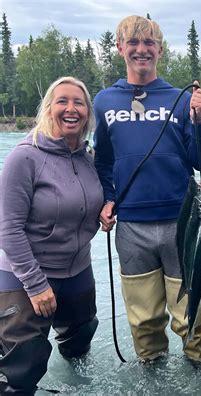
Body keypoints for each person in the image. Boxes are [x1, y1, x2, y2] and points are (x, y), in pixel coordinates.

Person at [94, 15, 201, 363]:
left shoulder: (180, 99)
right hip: (131, 226)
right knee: (144, 319)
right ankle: (152, 372)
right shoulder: (104, 101)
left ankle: (198, 372)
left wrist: (200, 120)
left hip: (183, 222)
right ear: (120, 48)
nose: (141, 49)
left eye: (149, 43)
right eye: (133, 42)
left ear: (160, 50)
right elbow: (102, 161)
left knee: (195, 315)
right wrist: (107, 198)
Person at [0, 76, 103, 395]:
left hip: (77, 270)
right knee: (23, 364)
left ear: (88, 113)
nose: (71, 109)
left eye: (79, 102)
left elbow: (87, 200)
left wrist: (104, 210)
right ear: (48, 108)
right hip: (25, 275)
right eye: (62, 101)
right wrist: (36, 285)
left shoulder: (88, 158)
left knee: (80, 339)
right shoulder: (25, 157)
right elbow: (7, 228)